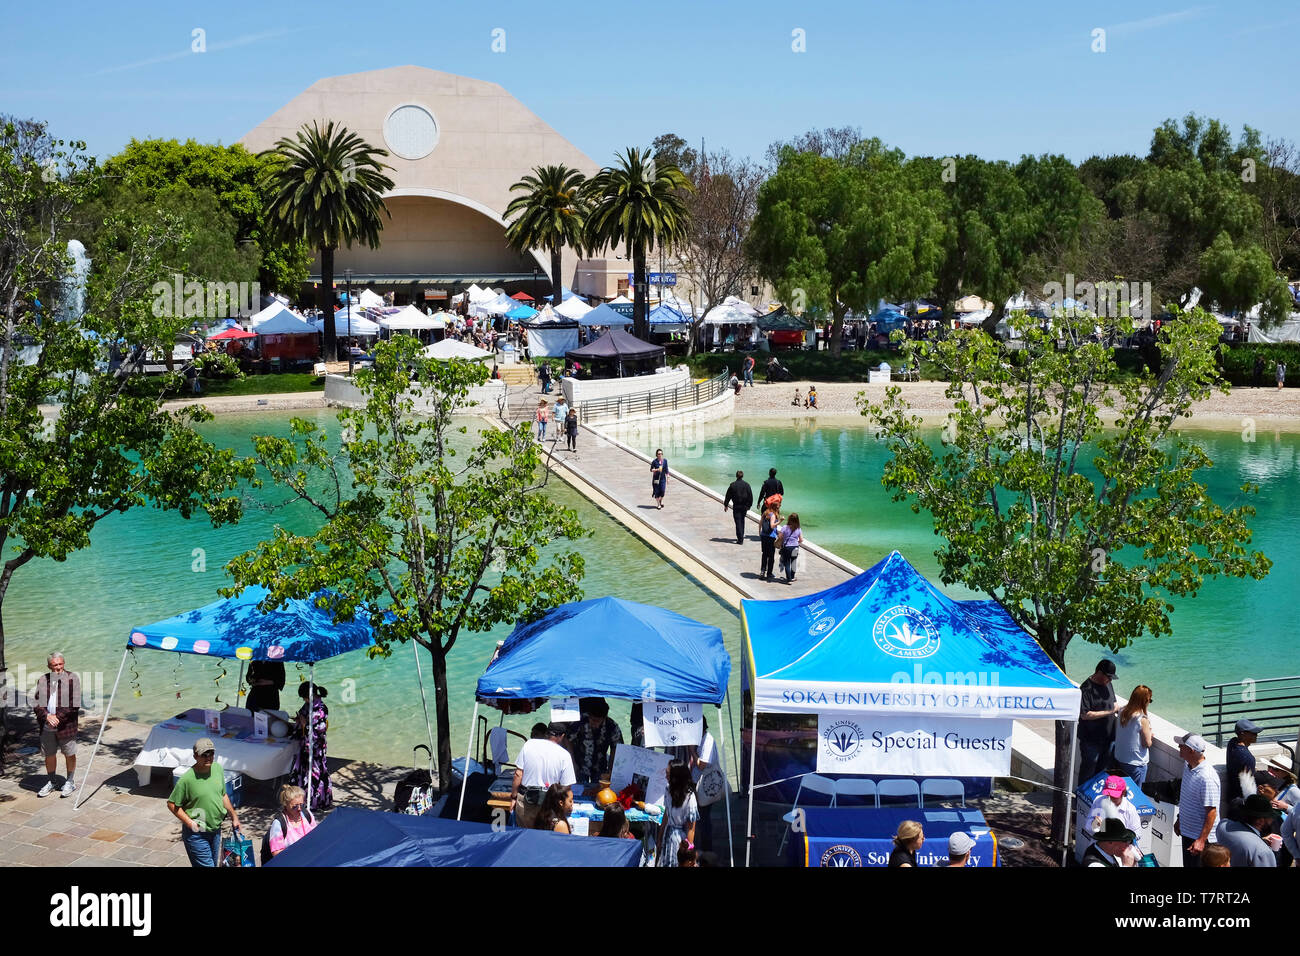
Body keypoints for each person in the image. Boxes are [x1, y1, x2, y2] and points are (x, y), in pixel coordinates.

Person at [167, 737, 242, 867]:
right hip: (197, 835)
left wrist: (234, 816)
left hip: (215, 830)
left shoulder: (217, 769)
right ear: (195, 756)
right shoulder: (187, 779)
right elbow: (172, 804)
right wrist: (189, 823)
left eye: (211, 753)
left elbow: (223, 794)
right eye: (204, 754)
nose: (208, 757)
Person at [511, 722, 576, 829]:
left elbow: (518, 774)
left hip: (526, 801)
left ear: (547, 733)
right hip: (549, 804)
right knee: (544, 836)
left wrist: (513, 797)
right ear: (562, 736)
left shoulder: (529, 744)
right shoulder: (565, 755)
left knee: (524, 836)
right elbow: (566, 787)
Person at [33, 652, 80, 798]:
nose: (58, 668)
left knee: (69, 753)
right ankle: (52, 781)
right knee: (49, 754)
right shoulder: (43, 680)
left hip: (66, 725)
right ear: (49, 666)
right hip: (47, 724)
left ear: (64, 664)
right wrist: (47, 716)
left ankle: (70, 782)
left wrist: (56, 718)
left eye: (60, 664)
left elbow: (74, 705)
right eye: (55, 665)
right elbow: (36, 703)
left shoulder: (73, 679)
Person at [1175, 733, 1219, 867]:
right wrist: (1180, 819)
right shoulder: (1187, 765)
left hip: (1201, 839)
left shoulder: (1207, 778)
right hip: (1188, 832)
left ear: (1191, 751)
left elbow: (1212, 812)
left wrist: (1201, 840)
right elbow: (1188, 798)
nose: (1178, 747)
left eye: (1181, 746)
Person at [290, 682, 333, 811]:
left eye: (304, 697)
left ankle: (317, 801)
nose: (304, 700)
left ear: (310, 695)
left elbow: (319, 729)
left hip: (316, 746)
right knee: (304, 772)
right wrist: (299, 721)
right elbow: (304, 719)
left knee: (316, 772)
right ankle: (305, 799)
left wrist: (305, 724)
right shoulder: (307, 705)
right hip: (305, 744)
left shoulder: (321, 709)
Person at [1076, 659, 1120, 784]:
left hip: (1109, 737)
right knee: (1088, 771)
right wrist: (1109, 712)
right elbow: (1085, 714)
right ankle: (1081, 799)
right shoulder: (1086, 689)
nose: (1110, 680)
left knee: (1103, 771)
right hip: (1091, 740)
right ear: (1099, 673)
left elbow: (1114, 703)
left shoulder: (1108, 684)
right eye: (1108, 677)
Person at [1084, 775, 1143, 866]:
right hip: (1101, 850)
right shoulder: (1099, 801)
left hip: (1121, 852)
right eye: (1108, 795)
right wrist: (1095, 826)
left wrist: (1122, 842)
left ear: (1123, 793)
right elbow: (1088, 827)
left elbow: (1136, 834)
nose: (1110, 799)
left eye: (1114, 796)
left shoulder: (1130, 810)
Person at [567, 697, 623, 784]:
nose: (595, 724)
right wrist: (572, 763)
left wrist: (611, 770)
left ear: (604, 718)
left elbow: (616, 748)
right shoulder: (579, 722)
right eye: (592, 720)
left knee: (599, 794)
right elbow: (568, 740)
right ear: (589, 715)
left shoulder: (612, 726)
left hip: (600, 767)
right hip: (580, 765)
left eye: (598, 721)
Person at [1216, 794, 1279, 867]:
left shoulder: (1222, 826)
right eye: (1270, 817)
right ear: (1260, 821)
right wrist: (1260, 843)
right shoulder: (1262, 851)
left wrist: (1261, 841)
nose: (1272, 820)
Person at [657, 759, 698, 867]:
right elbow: (666, 813)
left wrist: (687, 854)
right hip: (668, 835)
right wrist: (660, 838)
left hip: (680, 842)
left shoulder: (690, 797)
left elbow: (691, 828)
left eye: (668, 774)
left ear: (676, 778)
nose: (666, 776)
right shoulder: (668, 789)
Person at [1113, 685, 1154, 785]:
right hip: (1136, 763)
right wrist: (1150, 735)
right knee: (1135, 793)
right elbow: (1147, 743)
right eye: (1150, 700)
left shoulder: (1122, 711)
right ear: (1145, 701)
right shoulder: (1142, 719)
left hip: (1120, 758)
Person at [265, 784, 317, 859]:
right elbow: (276, 853)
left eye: (301, 805)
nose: (299, 809)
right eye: (295, 806)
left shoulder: (307, 814)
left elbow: (316, 834)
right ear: (285, 804)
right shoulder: (279, 823)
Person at [1225, 717, 1260, 802]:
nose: (1256, 735)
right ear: (1242, 734)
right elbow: (1248, 787)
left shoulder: (1232, 742)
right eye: (1253, 733)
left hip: (1232, 797)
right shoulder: (1247, 758)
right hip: (1241, 801)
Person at [724, 470, 754, 545]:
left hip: (736, 506)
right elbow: (750, 496)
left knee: (738, 522)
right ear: (742, 476)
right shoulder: (747, 485)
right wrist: (749, 506)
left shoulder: (732, 485)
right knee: (742, 521)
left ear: (736, 476)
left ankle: (740, 539)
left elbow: (728, 496)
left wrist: (726, 505)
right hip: (744, 506)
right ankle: (741, 536)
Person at [777, 512, 803, 583]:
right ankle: (792, 577)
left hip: (787, 548)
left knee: (787, 563)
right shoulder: (798, 529)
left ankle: (789, 579)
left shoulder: (785, 527)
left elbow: (780, 537)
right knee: (793, 562)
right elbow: (801, 540)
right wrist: (796, 543)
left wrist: (779, 534)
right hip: (795, 547)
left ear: (789, 519)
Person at [759, 497, 781, 581]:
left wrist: (759, 532)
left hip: (763, 536)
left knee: (764, 554)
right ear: (776, 508)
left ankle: (762, 571)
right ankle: (769, 573)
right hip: (770, 537)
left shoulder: (765, 513)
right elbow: (772, 526)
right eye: (778, 507)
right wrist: (780, 521)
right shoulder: (773, 515)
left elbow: (760, 522)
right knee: (771, 556)